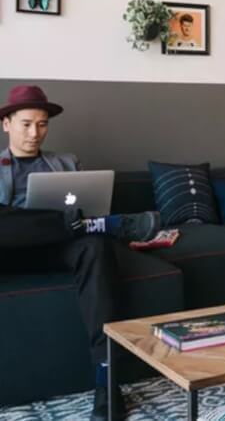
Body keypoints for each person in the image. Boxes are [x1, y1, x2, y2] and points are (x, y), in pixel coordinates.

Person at [0, 85, 160, 421]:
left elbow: (86, 204)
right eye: (26, 124)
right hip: (9, 251)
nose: (34, 133)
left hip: (57, 249)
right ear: (6, 125)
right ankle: (99, 225)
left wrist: (78, 222)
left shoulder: (66, 162)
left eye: (42, 125)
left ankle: (107, 383)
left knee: (95, 246)